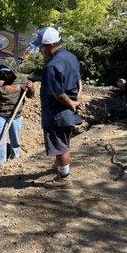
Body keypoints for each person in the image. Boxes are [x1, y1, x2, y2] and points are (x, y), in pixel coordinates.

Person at [31, 27, 83, 187]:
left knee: (60, 145)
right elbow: (79, 81)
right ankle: (59, 167)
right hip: (66, 113)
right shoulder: (71, 57)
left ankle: (64, 177)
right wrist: (78, 98)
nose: (40, 50)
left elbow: (58, 93)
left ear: (51, 44)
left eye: (42, 47)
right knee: (62, 141)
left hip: (57, 113)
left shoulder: (51, 66)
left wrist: (71, 102)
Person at [0, 58, 34, 166]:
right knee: (0, 137)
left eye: (8, 72)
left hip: (16, 115)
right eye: (3, 72)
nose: (5, 75)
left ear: (13, 71)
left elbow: (31, 96)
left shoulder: (22, 79)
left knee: (15, 138)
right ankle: (0, 161)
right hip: (2, 114)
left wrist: (30, 88)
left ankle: (15, 157)